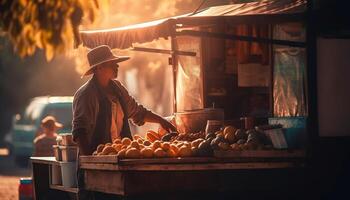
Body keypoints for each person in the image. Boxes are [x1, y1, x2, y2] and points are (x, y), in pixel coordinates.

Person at [72, 45, 176, 156]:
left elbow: (137, 112)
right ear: (99, 68)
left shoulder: (118, 89)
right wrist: (89, 161)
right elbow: (80, 132)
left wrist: (161, 120)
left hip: (119, 156)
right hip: (98, 160)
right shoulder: (86, 94)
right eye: (111, 63)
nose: (116, 66)